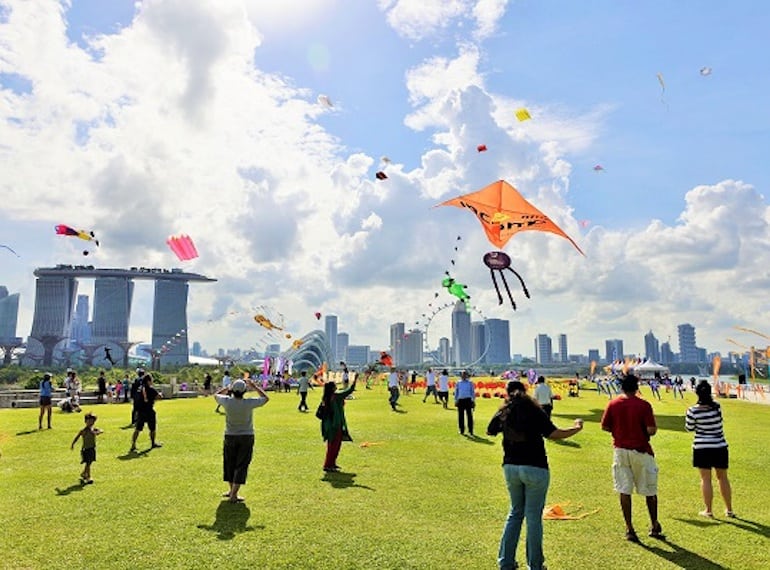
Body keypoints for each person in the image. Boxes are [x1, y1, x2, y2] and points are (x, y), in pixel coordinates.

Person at [487, 380, 583, 570]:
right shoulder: (533, 409)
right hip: (535, 467)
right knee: (533, 517)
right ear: (526, 391)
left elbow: (490, 431)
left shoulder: (504, 411)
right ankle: (535, 564)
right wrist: (576, 427)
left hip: (511, 467)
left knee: (515, 513)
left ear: (507, 393)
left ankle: (505, 561)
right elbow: (554, 433)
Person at [600, 374, 663, 542]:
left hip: (620, 450)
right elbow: (651, 430)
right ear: (637, 387)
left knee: (624, 489)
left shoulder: (613, 404)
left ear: (621, 387)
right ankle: (654, 524)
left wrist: (619, 429)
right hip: (641, 450)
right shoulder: (643, 405)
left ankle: (629, 528)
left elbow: (605, 426)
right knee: (650, 489)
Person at [214, 377, 269, 503]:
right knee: (241, 464)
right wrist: (255, 387)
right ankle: (234, 494)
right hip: (246, 436)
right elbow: (265, 399)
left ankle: (231, 491)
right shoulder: (249, 403)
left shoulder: (227, 401)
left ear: (232, 390)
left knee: (229, 463)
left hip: (230, 435)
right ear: (245, 391)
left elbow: (216, 395)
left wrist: (227, 387)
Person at [686, 381, 734, 518]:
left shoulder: (693, 410)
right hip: (719, 445)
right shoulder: (717, 406)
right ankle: (729, 509)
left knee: (706, 479)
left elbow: (689, 428)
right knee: (723, 478)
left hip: (702, 447)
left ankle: (708, 510)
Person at [319, 377, 357, 472]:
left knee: (332, 445)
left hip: (328, 425)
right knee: (334, 446)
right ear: (332, 388)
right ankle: (328, 465)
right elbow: (349, 391)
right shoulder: (335, 397)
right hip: (335, 425)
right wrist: (355, 380)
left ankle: (332, 463)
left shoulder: (326, 397)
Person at [130, 373, 163, 452]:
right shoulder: (150, 389)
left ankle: (133, 445)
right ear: (148, 381)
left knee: (137, 429)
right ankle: (153, 443)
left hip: (140, 411)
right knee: (152, 429)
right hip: (149, 411)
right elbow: (159, 397)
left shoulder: (139, 388)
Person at [71, 413, 102, 484]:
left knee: (89, 463)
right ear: (85, 421)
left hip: (92, 448)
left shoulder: (94, 429)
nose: (91, 423)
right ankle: (88, 477)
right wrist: (73, 444)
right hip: (86, 449)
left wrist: (98, 432)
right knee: (88, 463)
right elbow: (77, 437)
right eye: (89, 421)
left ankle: (84, 473)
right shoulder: (83, 430)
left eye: (93, 421)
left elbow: (101, 430)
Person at [454, 371, 476, 436]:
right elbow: (456, 392)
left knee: (469, 416)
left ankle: (470, 430)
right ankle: (462, 430)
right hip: (460, 400)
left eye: (465, 375)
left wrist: (473, 400)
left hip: (468, 400)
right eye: (462, 375)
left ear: (466, 376)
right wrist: (456, 400)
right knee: (460, 416)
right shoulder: (458, 383)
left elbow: (472, 392)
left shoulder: (470, 383)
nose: (463, 376)